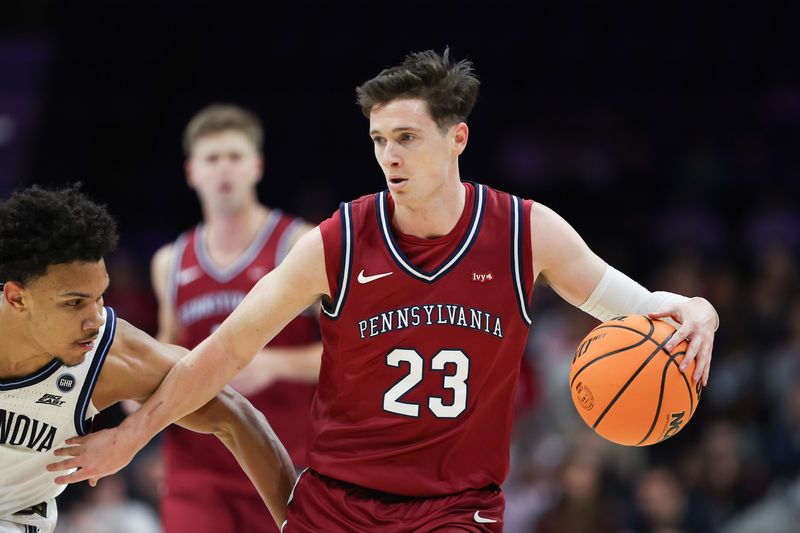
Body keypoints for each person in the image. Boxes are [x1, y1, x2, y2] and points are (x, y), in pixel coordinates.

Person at [52, 49, 719, 532]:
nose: (390, 155)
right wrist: (131, 435)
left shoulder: (526, 231)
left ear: (457, 138)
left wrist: (703, 312)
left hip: (456, 509)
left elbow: (641, 306)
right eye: (378, 140)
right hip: (337, 505)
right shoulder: (338, 241)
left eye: (406, 137)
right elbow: (223, 351)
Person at [0, 184, 295, 533]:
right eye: (74, 303)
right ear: (17, 298)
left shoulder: (109, 355)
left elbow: (236, 415)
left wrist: (300, 525)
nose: (94, 318)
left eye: (100, 296)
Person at [150, 104, 321, 533]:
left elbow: (354, 352)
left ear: (256, 166)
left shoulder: (300, 244)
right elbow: (165, 349)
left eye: (234, 156)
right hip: (197, 470)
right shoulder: (170, 261)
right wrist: (137, 392)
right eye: (212, 158)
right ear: (192, 172)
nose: (224, 168)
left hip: (285, 464)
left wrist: (275, 364)